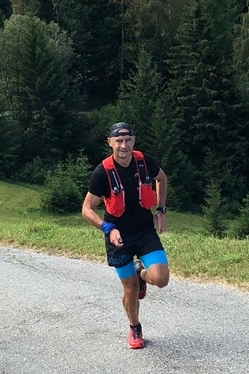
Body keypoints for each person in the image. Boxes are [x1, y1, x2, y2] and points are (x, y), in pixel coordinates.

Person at [81, 122, 170, 349]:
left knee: (161, 279)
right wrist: (107, 228)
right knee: (129, 288)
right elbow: (87, 209)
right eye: (118, 141)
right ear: (110, 142)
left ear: (134, 141)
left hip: (144, 231)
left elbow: (162, 179)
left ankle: (142, 274)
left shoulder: (145, 162)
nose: (124, 145)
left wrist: (160, 210)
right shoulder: (102, 173)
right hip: (117, 235)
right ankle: (135, 328)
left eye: (128, 140)